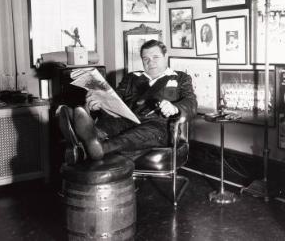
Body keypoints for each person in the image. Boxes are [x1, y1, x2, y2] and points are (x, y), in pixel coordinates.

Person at [57, 40, 197, 164]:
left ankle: (94, 149)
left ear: (165, 57)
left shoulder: (180, 78)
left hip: (161, 127)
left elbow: (191, 103)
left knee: (145, 131)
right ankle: (88, 138)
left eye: (155, 57)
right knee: (111, 121)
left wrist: (175, 108)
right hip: (127, 120)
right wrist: (96, 104)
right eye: (145, 58)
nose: (150, 62)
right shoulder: (131, 78)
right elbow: (113, 99)